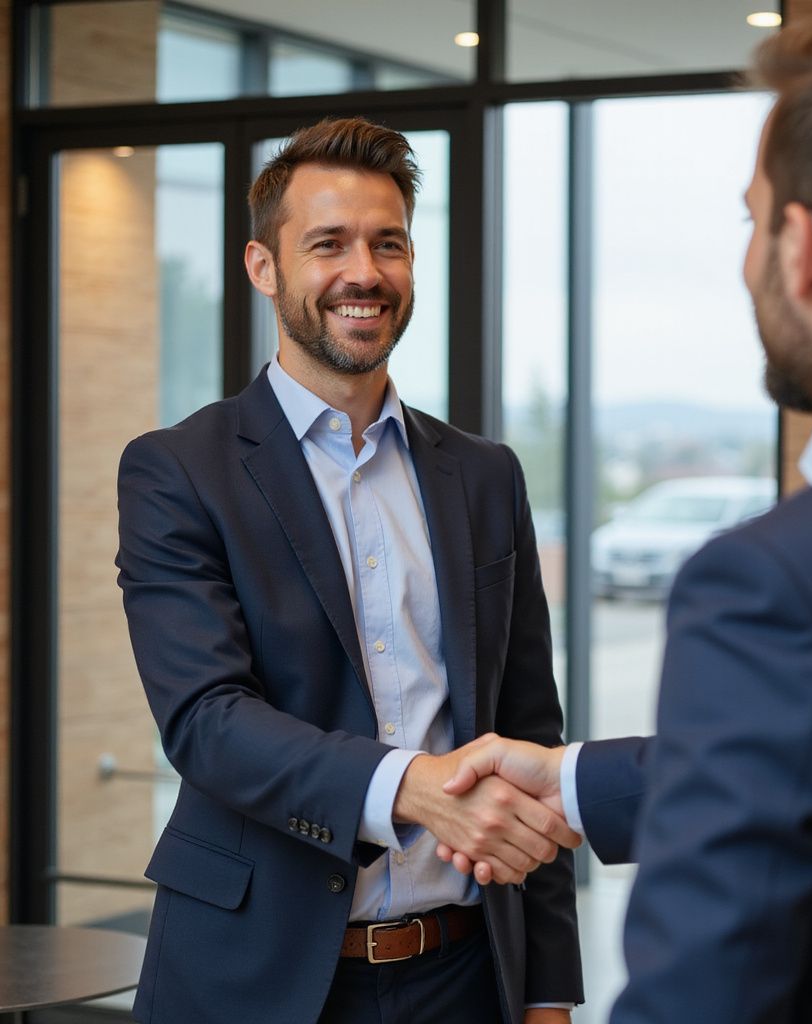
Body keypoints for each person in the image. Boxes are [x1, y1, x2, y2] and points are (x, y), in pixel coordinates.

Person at [440, 20, 812, 1024]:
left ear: (802, 249)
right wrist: (576, 781)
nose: (747, 254)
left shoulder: (775, 580)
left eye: (752, 220)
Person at [116, 116, 583, 1024]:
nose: (363, 273)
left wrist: (550, 990)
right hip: (257, 975)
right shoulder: (177, 469)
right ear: (264, 267)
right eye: (327, 243)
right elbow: (207, 722)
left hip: (465, 977)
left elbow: (531, 732)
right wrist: (414, 790)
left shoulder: (486, 474)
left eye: (389, 244)